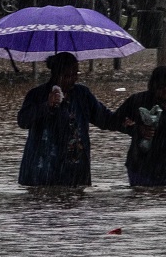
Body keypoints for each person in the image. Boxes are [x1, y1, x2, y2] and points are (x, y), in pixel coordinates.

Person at [16, 52, 116, 187]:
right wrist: (47, 105)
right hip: (42, 172)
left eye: (76, 74)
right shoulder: (37, 95)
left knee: (75, 204)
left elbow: (105, 118)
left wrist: (128, 124)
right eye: (68, 75)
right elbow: (23, 121)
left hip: (76, 172)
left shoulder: (82, 95)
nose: (74, 79)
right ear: (56, 75)